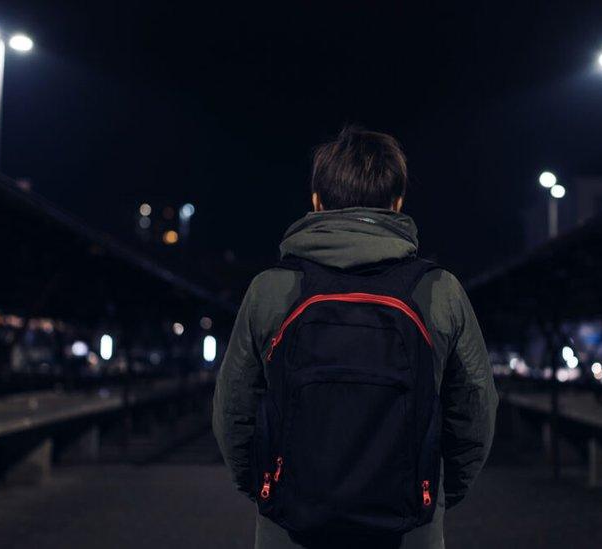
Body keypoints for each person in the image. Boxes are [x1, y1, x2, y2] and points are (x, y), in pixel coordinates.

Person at [213, 126, 498, 549]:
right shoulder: (438, 290)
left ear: (316, 202)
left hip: (289, 526)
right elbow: (476, 409)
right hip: (408, 528)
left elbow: (232, 410)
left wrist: (263, 489)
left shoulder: (271, 290)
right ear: (397, 204)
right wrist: (434, 495)